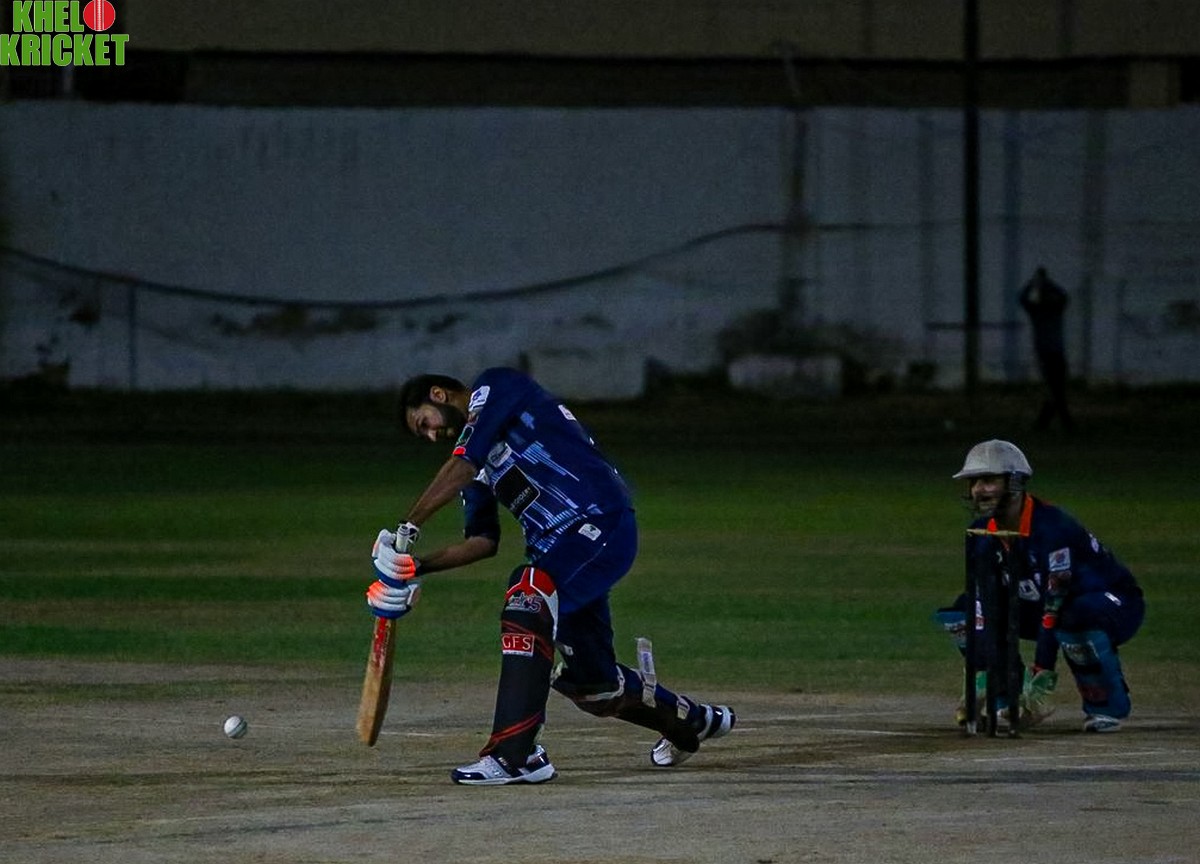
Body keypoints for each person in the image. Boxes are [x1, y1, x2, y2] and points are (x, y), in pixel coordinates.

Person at [366, 368, 735, 785]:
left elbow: (463, 463)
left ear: (438, 394)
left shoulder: (496, 386)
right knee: (594, 686)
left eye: (425, 424)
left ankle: (515, 756)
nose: (432, 436)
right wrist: (416, 566)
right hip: (560, 554)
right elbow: (482, 541)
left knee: (528, 595)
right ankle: (690, 722)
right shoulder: (475, 466)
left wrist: (408, 526)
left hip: (599, 521)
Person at [937, 439, 1144, 732]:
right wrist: (981, 671)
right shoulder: (981, 534)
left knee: (1075, 614)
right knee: (965, 610)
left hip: (1112, 605)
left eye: (988, 480)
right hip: (1044, 606)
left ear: (1015, 481)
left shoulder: (1052, 528)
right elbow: (985, 603)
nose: (978, 490)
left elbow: (1053, 605)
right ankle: (1004, 698)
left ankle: (1104, 707)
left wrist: (1041, 677)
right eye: (974, 482)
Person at [1019, 267, 1075, 431]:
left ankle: (1046, 422)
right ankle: (1058, 421)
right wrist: (1042, 283)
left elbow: (1024, 298)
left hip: (1050, 353)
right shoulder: (1042, 310)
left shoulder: (1046, 310)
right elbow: (1062, 296)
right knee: (1055, 388)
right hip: (1050, 353)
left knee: (1055, 389)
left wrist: (1038, 283)